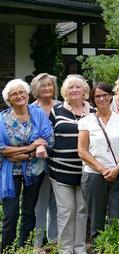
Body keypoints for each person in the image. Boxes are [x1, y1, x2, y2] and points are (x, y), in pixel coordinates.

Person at [0, 79, 53, 253]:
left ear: (28, 94)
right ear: (9, 99)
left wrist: (26, 155)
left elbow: (47, 138)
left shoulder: (38, 113)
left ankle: (24, 249)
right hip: (10, 172)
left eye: (22, 92)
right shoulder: (2, 119)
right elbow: (2, 148)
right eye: (14, 94)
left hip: (34, 170)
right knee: (10, 214)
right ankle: (7, 250)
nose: (19, 96)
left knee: (29, 212)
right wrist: (30, 147)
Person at [78, 82, 119, 246]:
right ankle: (98, 249)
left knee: (117, 220)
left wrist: (118, 167)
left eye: (105, 95)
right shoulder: (86, 121)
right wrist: (103, 170)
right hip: (94, 176)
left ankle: (116, 249)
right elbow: (82, 151)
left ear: (111, 96)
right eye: (97, 96)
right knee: (97, 221)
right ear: (93, 99)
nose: (101, 99)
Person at [49, 75, 95, 254]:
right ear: (65, 91)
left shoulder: (93, 111)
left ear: (84, 90)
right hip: (61, 171)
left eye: (78, 87)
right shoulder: (56, 110)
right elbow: (48, 135)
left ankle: (80, 247)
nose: (74, 90)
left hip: (86, 171)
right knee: (66, 212)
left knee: (82, 211)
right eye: (71, 88)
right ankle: (65, 249)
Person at [30, 73, 60, 251]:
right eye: (43, 86)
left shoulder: (62, 107)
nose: (48, 88)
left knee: (57, 201)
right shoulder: (30, 109)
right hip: (38, 161)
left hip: (60, 160)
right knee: (39, 202)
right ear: (36, 89)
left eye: (50, 85)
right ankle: (36, 243)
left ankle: (55, 239)